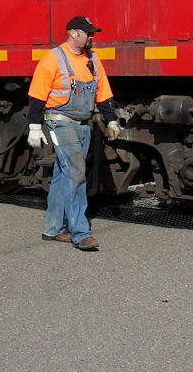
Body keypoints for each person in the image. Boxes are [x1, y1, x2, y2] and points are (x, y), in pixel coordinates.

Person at [27, 16, 122, 251]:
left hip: (82, 125)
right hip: (60, 123)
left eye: (92, 33)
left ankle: (53, 227)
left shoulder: (93, 59)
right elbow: (37, 94)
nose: (92, 37)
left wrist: (111, 119)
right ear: (73, 33)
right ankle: (80, 233)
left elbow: (103, 92)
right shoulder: (53, 58)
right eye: (88, 33)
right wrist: (34, 127)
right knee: (76, 172)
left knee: (63, 173)